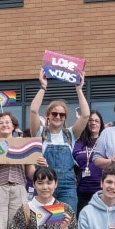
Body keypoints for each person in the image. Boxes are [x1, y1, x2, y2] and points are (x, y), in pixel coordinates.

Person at [29, 76, 91, 220]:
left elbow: (86, 115)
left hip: (67, 187)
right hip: (44, 184)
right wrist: (43, 86)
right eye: (54, 113)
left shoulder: (70, 134)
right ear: (48, 116)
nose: (58, 116)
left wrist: (79, 88)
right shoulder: (39, 133)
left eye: (62, 114)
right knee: (43, 224)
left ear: (65, 118)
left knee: (66, 222)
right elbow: (33, 111)